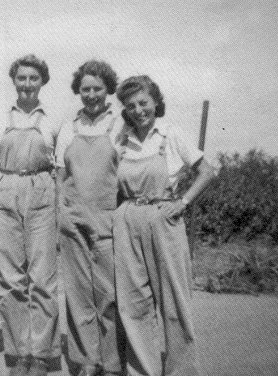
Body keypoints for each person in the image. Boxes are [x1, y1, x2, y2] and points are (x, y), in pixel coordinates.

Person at [113, 75, 215, 376]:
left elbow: (207, 171)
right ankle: (143, 370)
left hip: (163, 218)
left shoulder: (171, 134)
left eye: (143, 103)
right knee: (133, 303)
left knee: (173, 301)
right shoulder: (121, 140)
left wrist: (183, 202)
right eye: (130, 106)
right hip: (128, 218)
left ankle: (180, 371)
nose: (138, 110)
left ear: (155, 102)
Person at [0, 54, 61, 376]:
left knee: (42, 278)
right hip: (6, 188)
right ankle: (20, 353)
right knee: (9, 279)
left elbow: (60, 168)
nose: (28, 84)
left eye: (34, 78)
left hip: (41, 190)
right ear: (14, 81)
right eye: (22, 78)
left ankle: (42, 354)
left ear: (42, 81)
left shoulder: (52, 120)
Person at [55, 60, 123, 376]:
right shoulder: (68, 128)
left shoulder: (120, 126)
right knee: (78, 291)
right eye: (85, 89)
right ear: (78, 91)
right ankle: (86, 360)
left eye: (97, 88)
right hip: (73, 218)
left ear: (108, 89)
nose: (91, 94)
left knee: (108, 292)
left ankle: (111, 362)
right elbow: (60, 175)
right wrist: (61, 213)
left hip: (108, 218)